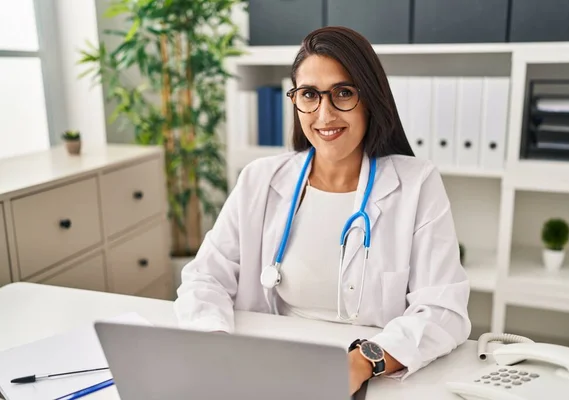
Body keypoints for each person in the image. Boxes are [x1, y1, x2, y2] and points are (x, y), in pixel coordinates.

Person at [174, 26, 471, 395]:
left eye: (343, 93)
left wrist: (361, 362)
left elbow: (445, 310)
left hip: (372, 379)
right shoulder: (260, 180)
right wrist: (215, 344)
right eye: (309, 95)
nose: (324, 114)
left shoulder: (416, 184)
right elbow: (205, 278)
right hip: (272, 367)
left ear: (370, 99)